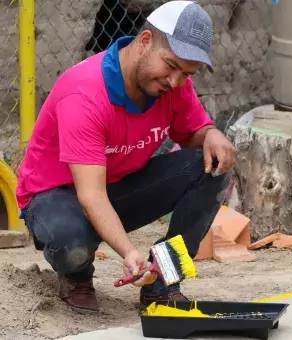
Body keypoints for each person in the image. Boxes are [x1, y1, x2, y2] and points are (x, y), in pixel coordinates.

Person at [16, 0, 235, 314]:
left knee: (211, 168)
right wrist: (129, 254)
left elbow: (192, 133)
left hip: (118, 186)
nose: (175, 81)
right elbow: (91, 195)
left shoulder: (173, 85)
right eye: (171, 66)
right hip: (58, 197)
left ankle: (163, 282)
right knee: (71, 242)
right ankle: (77, 276)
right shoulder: (85, 93)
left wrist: (210, 131)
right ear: (144, 42)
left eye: (186, 74)